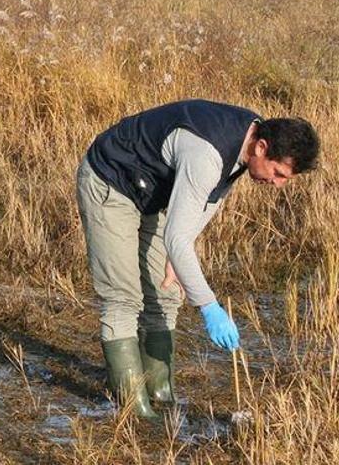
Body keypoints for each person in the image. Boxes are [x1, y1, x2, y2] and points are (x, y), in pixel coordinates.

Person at [75, 99, 319, 418]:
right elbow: (177, 234)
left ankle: (161, 393)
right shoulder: (207, 152)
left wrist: (181, 248)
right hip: (111, 181)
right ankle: (135, 409)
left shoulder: (247, 138)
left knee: (165, 294)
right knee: (123, 298)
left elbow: (209, 200)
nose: (278, 184)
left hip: (152, 192)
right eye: (279, 173)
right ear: (262, 147)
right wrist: (208, 306)